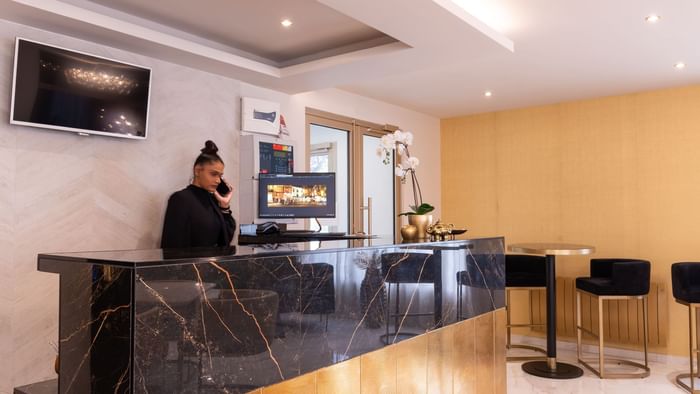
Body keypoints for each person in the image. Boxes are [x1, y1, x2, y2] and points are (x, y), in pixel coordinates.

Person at [161, 140, 235, 248]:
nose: (218, 180)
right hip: (191, 264)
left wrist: (225, 207)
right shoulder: (181, 199)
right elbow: (173, 245)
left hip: (214, 264)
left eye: (220, 176)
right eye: (213, 174)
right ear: (197, 171)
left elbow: (225, 240)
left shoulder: (213, 200)